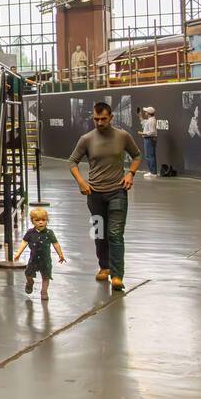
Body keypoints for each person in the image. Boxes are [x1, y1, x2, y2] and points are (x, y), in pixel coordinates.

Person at [69, 101, 142, 291]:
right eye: (96, 119)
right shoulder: (86, 139)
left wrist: (130, 173)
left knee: (115, 233)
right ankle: (104, 266)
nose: (99, 122)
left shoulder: (123, 136)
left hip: (117, 191)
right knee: (100, 232)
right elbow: (72, 162)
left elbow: (137, 156)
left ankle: (117, 275)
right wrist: (81, 182)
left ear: (111, 117)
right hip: (94, 193)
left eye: (103, 119)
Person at [14, 207, 65, 301]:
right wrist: (18, 253)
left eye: (43, 220)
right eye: (37, 220)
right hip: (33, 259)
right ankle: (30, 282)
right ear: (32, 221)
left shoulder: (49, 233)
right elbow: (24, 242)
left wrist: (60, 254)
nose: (40, 222)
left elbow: (56, 244)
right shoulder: (30, 233)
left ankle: (44, 291)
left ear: (47, 220)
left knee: (46, 276)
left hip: (45, 260)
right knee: (28, 274)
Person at [139, 107, 158, 179]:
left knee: (150, 156)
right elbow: (144, 123)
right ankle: (152, 172)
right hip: (149, 139)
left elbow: (152, 132)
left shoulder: (151, 121)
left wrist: (143, 133)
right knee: (149, 156)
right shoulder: (150, 120)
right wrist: (140, 116)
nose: (145, 113)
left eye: (146, 112)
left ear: (149, 113)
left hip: (149, 139)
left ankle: (153, 172)